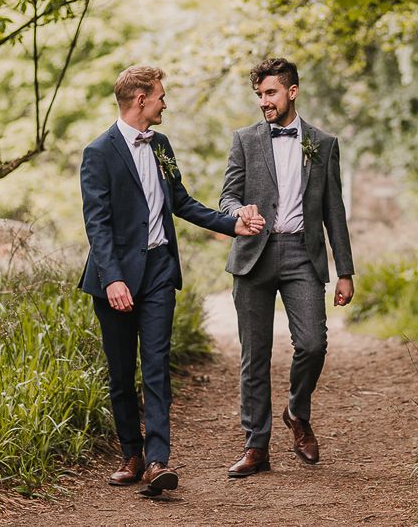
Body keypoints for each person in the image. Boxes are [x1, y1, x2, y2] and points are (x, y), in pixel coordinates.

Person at [79, 65, 263, 494]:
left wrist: (230, 224)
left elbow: (179, 201)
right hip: (117, 280)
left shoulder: (161, 144)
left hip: (160, 270)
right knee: (122, 372)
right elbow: (97, 224)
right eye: (161, 95)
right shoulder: (98, 152)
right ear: (140, 99)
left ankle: (158, 462)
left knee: (157, 367)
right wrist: (112, 279)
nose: (166, 103)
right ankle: (132, 453)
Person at [220, 57, 355, 477]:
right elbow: (226, 198)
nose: (264, 101)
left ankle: (297, 411)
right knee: (253, 356)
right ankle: (255, 446)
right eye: (260, 94)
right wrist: (240, 211)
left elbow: (334, 210)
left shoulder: (324, 143)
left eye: (271, 93)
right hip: (253, 256)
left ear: (292, 92)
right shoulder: (244, 140)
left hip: (302, 254)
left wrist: (345, 270)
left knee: (313, 343)